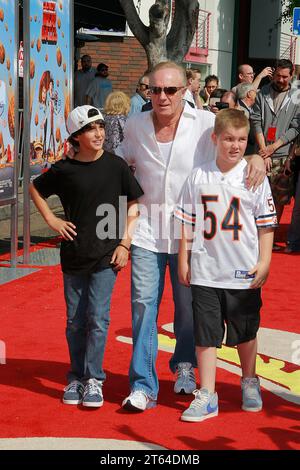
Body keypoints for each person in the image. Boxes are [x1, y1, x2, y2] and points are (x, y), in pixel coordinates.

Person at [117, 61, 266, 412]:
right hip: (147, 231)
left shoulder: (203, 124)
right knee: (142, 307)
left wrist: (257, 156)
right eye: (155, 90)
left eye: (171, 89)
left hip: (192, 236)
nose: (163, 96)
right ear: (147, 90)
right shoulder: (135, 124)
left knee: (187, 311)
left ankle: (185, 364)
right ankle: (143, 385)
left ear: (185, 90)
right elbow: (118, 161)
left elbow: (235, 136)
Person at [29, 105, 143, 408]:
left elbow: (133, 204)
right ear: (76, 136)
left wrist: (125, 244)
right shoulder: (64, 170)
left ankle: (94, 379)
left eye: (101, 127)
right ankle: (76, 377)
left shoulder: (116, 166)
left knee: (98, 319)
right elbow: (35, 188)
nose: (99, 133)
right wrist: (52, 222)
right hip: (74, 255)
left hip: (107, 256)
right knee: (75, 321)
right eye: (91, 129)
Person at [176, 108, 276, 422]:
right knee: (205, 334)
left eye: (242, 139)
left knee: (245, 331)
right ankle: (207, 394)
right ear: (214, 138)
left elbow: (266, 224)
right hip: (206, 270)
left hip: (242, 271)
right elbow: (188, 222)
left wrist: (265, 261)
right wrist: (184, 256)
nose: (235, 145)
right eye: (229, 138)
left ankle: (249, 380)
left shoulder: (254, 176)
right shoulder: (198, 175)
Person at [251, 58, 300, 246]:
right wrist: (264, 150)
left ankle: (269, 236)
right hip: (261, 155)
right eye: (278, 75)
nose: (280, 80)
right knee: (257, 196)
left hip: (282, 154)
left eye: (285, 77)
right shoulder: (263, 92)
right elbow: (255, 121)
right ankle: (255, 236)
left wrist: (274, 147)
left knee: (279, 199)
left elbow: (295, 128)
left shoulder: (297, 96)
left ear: (292, 74)